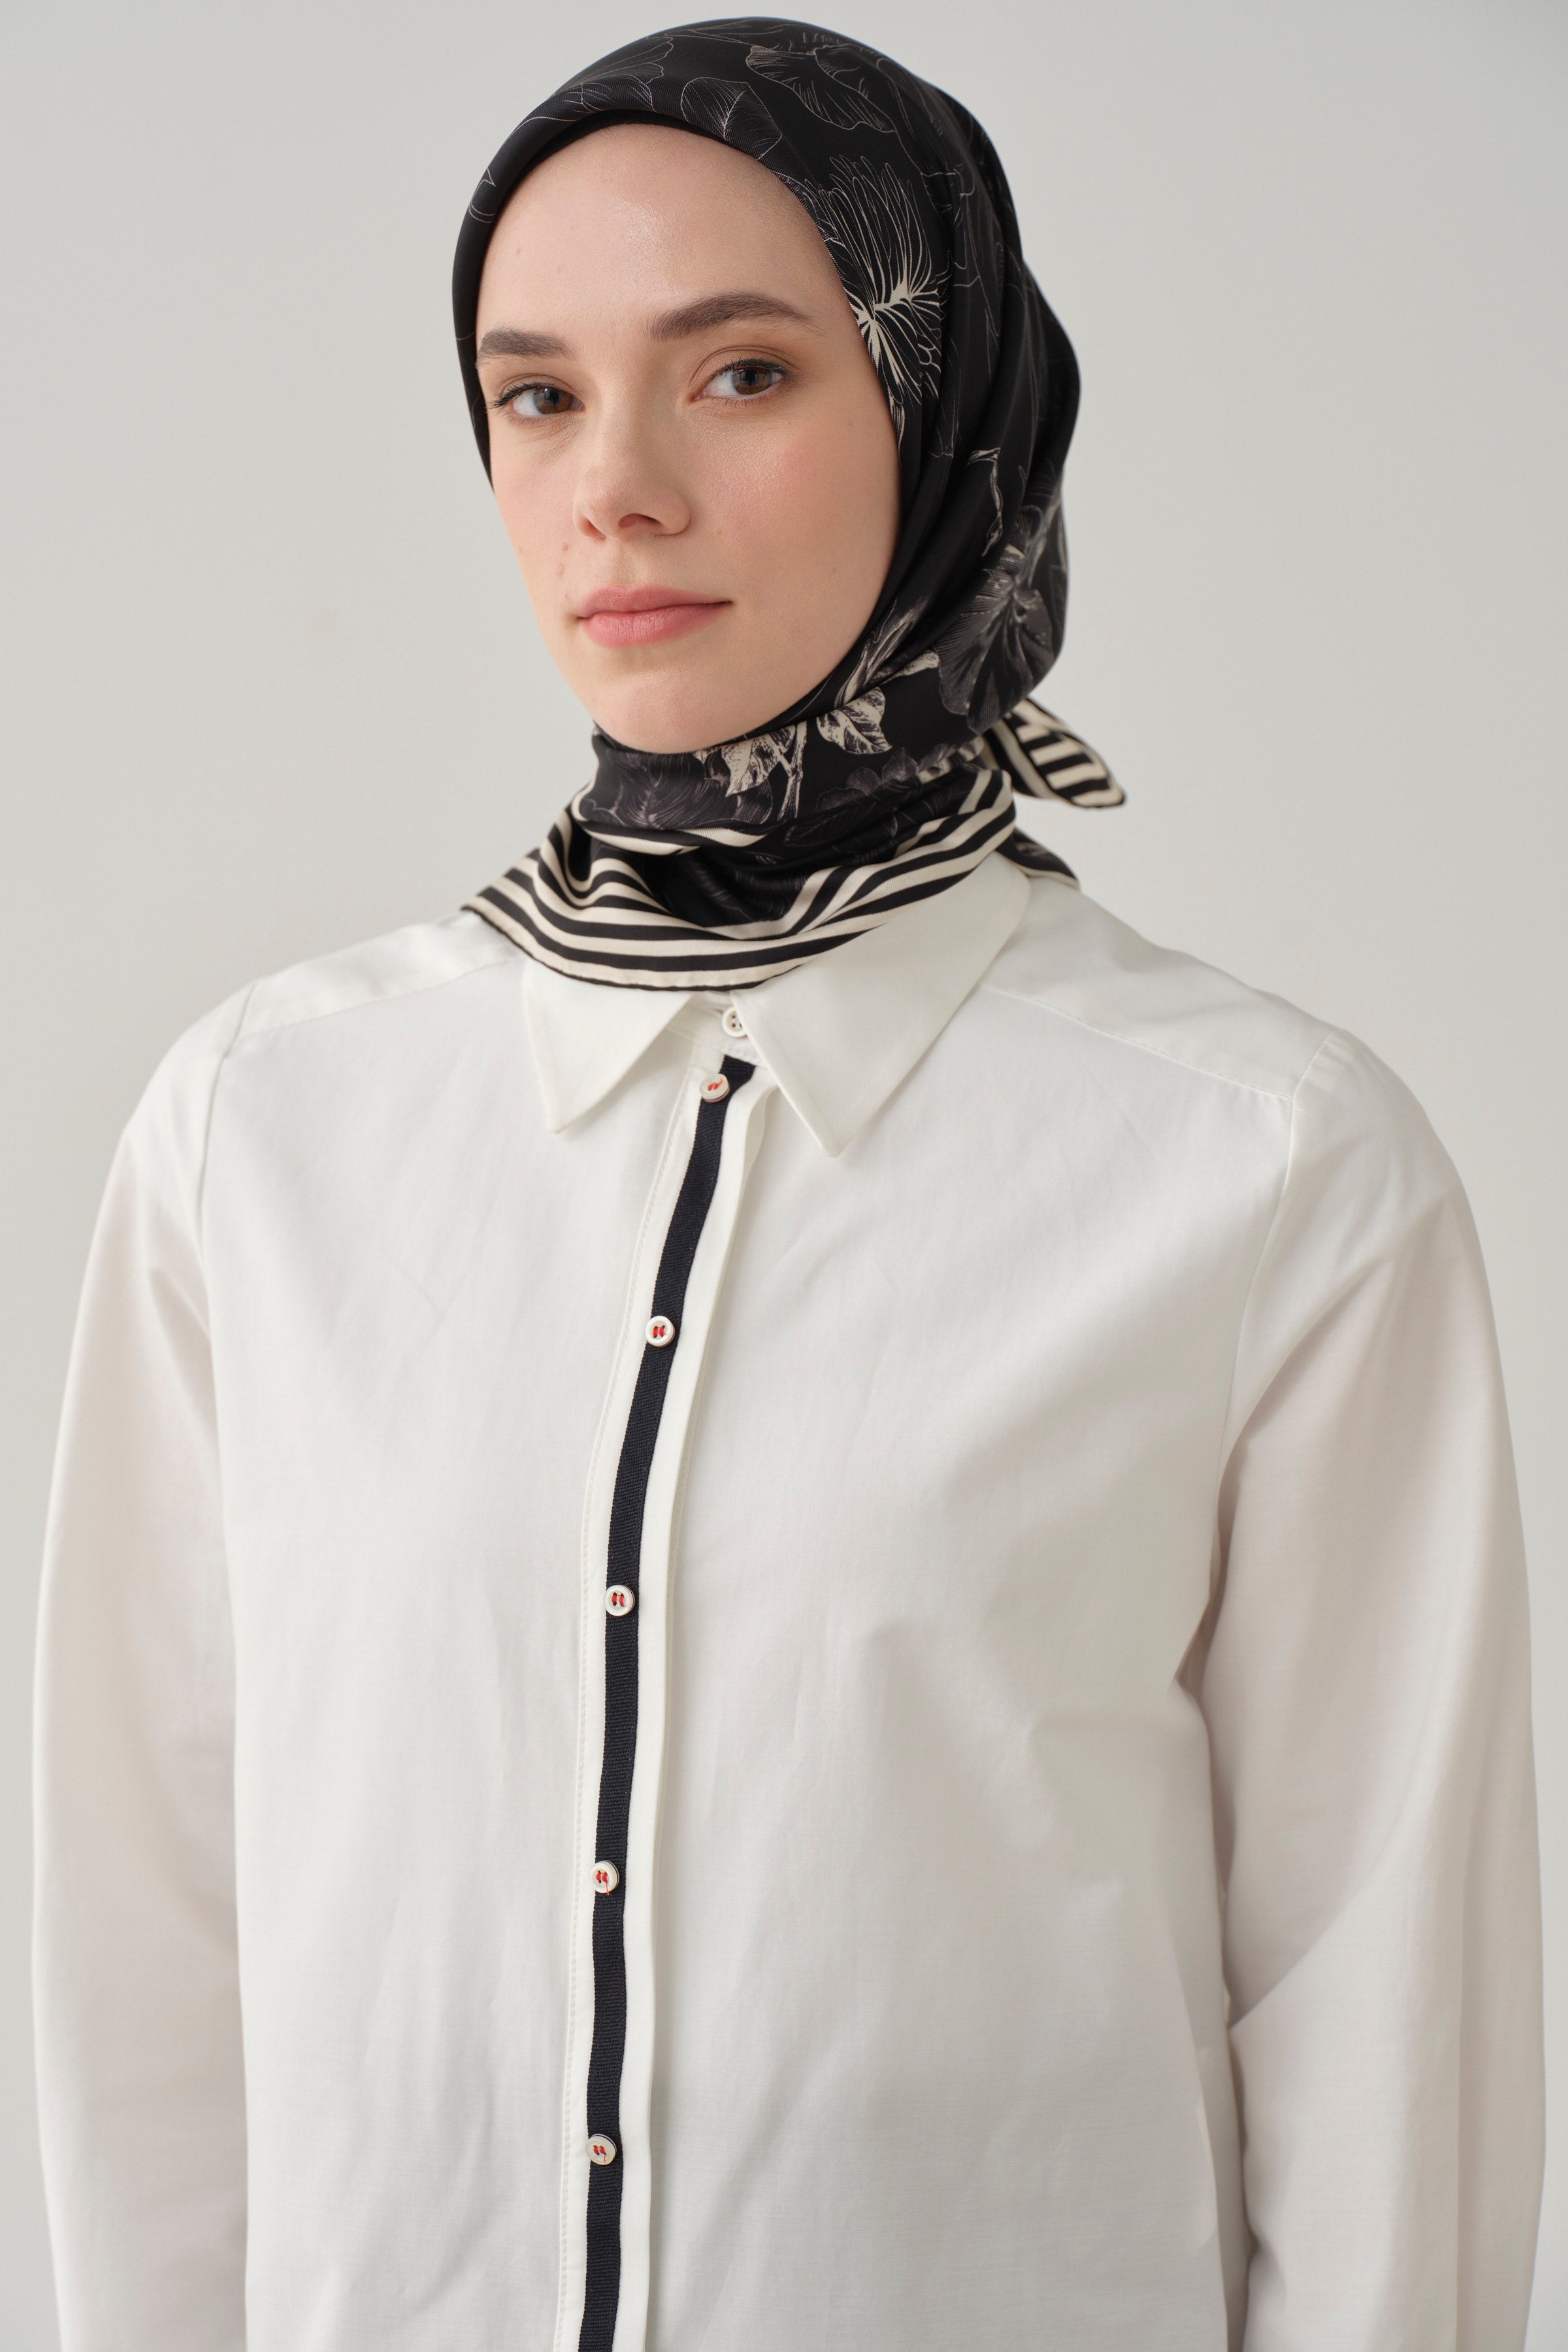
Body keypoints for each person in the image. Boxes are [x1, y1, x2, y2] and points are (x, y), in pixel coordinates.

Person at [32, 21, 1543, 2352]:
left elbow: (1384, 2064)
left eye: (740, 373)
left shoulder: (1269, 1175)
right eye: (537, 396)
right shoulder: (260, 1137)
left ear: (949, 413)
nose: (616, 489)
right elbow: (151, 1980)